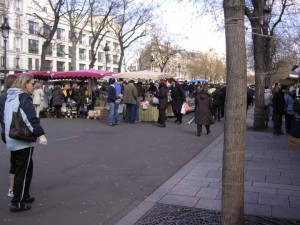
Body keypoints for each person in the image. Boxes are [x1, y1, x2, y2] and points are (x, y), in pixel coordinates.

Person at [3, 74, 47, 212]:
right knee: (23, 171)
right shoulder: (23, 98)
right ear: (25, 84)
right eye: (32, 84)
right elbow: (30, 118)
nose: (33, 86)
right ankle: (17, 202)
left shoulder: (10, 97)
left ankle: (24, 195)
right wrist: (41, 134)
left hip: (13, 137)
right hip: (22, 140)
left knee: (23, 168)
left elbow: (5, 118)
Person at [0, 75, 18, 198]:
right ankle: (14, 188)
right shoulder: (15, 97)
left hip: (5, 131)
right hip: (16, 131)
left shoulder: (2, 97)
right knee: (19, 159)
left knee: (15, 157)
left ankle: (12, 187)